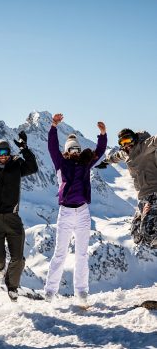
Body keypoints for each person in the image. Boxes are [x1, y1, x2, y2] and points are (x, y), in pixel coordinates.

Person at [0, 97, 38, 302]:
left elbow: (33, 167)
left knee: (18, 258)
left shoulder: (16, 166)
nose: (3, 155)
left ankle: (13, 288)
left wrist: (24, 148)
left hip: (13, 218)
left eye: (6, 152)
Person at [44, 113, 107, 305]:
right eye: (72, 149)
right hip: (66, 213)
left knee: (81, 254)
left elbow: (100, 151)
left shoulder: (85, 163)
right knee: (60, 253)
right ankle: (49, 292)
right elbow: (52, 147)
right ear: (67, 151)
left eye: (77, 149)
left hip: (82, 212)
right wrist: (54, 126)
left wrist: (103, 135)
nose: (75, 152)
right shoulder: (60, 163)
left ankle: (81, 292)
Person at [96, 128, 157, 248]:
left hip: (154, 192)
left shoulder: (145, 146)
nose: (126, 145)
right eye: (122, 143)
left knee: (149, 233)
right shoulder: (125, 153)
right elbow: (117, 156)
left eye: (128, 140)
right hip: (142, 196)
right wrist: (106, 161)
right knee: (136, 235)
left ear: (134, 139)